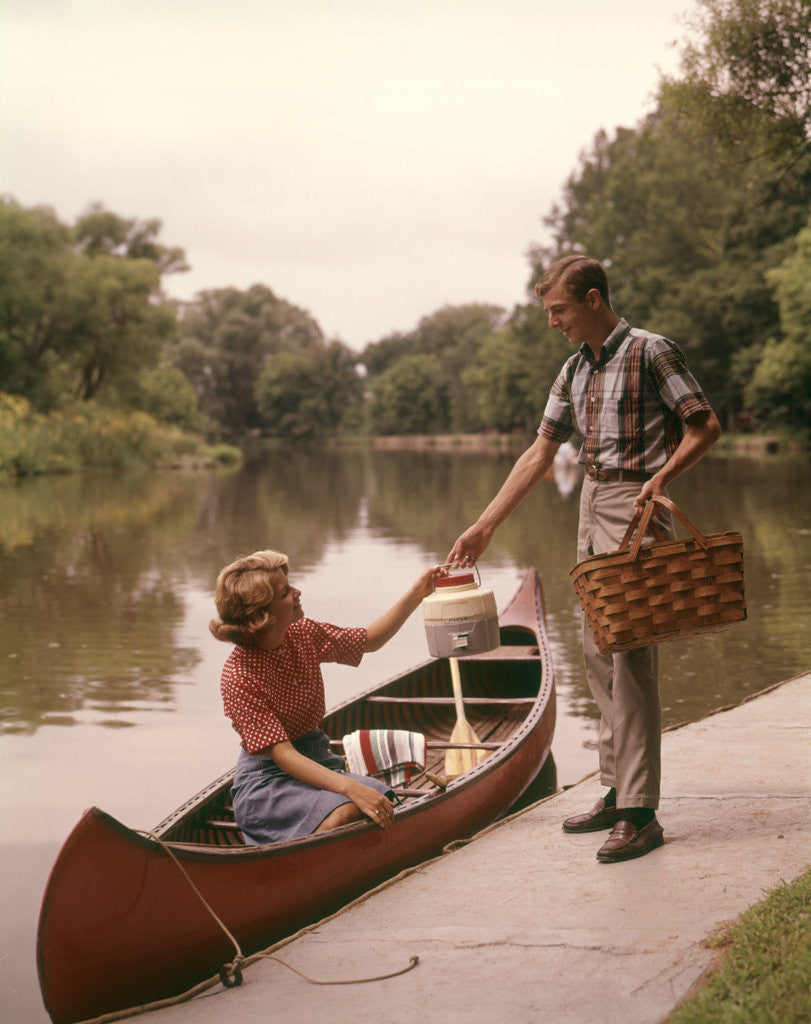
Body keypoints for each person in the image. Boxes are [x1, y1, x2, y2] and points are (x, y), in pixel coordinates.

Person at [448, 255, 721, 863]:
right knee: (598, 651)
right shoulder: (573, 369)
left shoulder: (653, 351)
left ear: (593, 300)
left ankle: (641, 812)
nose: (553, 323)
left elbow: (705, 426)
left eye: (559, 310)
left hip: (637, 502)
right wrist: (485, 525)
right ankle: (616, 786)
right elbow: (540, 454)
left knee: (631, 655)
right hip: (591, 502)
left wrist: (663, 476)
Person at [210, 549, 442, 845]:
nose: (297, 592)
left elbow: (369, 640)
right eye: (285, 592)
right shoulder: (238, 676)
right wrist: (350, 788)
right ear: (262, 616)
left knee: (382, 802)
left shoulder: (302, 633)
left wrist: (418, 592)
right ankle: (295, 864)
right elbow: (284, 756)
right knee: (348, 811)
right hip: (269, 784)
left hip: (318, 761)